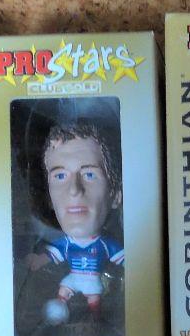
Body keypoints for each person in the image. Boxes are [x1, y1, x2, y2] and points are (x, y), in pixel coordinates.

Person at [28, 120, 123, 323]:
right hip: (71, 279)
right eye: (60, 176)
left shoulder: (105, 244)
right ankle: (60, 308)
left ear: (116, 195)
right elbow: (52, 255)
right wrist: (37, 261)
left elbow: (128, 260)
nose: (74, 190)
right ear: (49, 197)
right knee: (64, 292)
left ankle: (96, 319)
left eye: (89, 174)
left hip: (93, 283)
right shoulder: (65, 244)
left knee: (94, 301)